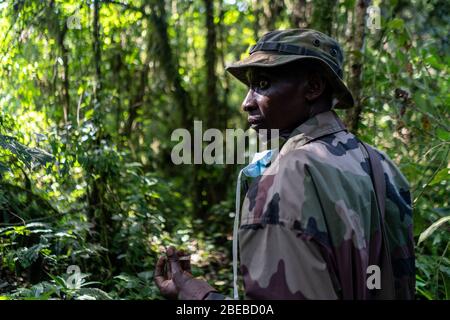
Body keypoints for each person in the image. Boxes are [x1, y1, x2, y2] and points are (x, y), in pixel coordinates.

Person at [154, 29, 415, 300]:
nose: (247, 103)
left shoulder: (287, 176)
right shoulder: (382, 165)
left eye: (263, 84)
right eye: (249, 87)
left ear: (313, 88)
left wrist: (199, 297)